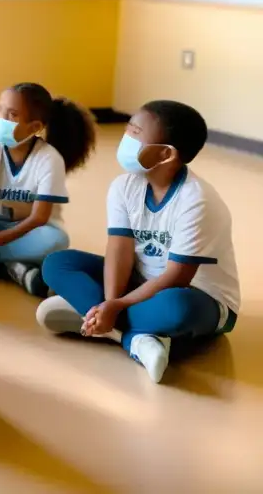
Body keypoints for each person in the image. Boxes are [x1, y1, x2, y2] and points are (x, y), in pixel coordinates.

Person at [38, 101, 239, 384]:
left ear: (166, 154)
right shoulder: (125, 186)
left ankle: (105, 324)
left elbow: (176, 277)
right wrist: (110, 302)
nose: (126, 139)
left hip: (197, 294)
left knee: (178, 308)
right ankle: (133, 335)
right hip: (141, 281)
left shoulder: (198, 200)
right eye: (128, 129)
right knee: (58, 263)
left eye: (135, 133)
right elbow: (119, 250)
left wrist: (116, 307)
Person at [0, 82, 96, 297]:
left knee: (56, 242)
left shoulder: (49, 159)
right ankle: (13, 266)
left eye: (12, 114)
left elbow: (39, 218)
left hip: (29, 231)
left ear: (34, 127)